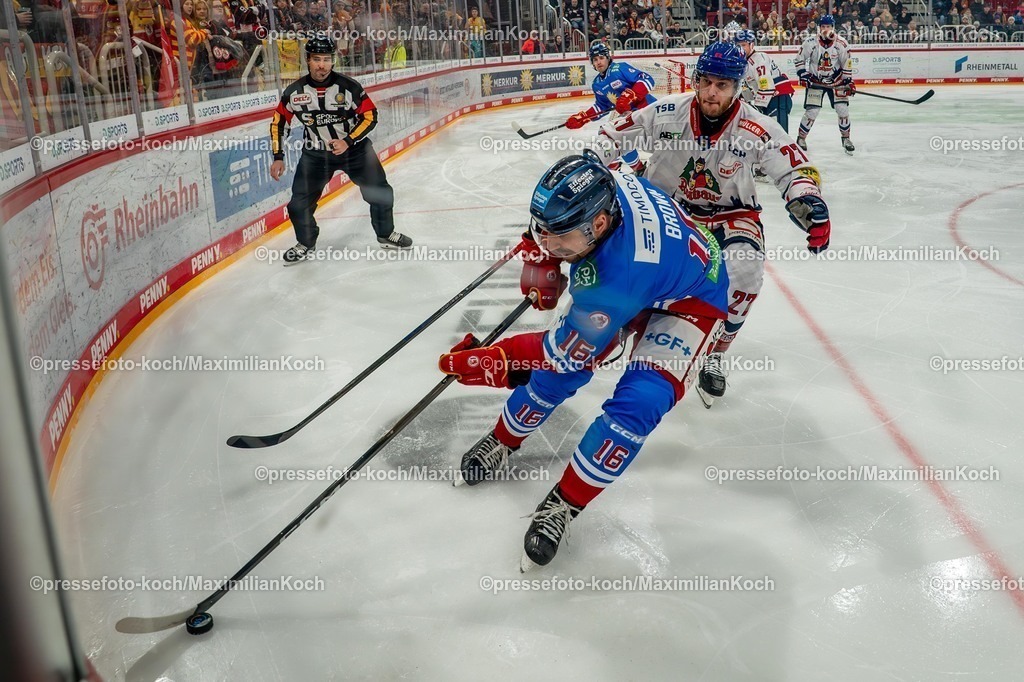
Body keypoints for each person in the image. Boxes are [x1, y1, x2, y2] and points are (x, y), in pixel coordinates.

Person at [439, 151, 730, 570]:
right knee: (562, 372)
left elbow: (558, 353)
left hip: (690, 300)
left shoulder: (616, 279)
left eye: (560, 239)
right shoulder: (602, 183)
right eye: (545, 232)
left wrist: (494, 359)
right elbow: (565, 222)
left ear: (597, 225)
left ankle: (564, 503)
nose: (550, 244)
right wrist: (542, 249)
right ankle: (504, 440)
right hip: (656, 269)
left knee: (638, 402)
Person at [594, 41, 831, 406]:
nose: (711, 92)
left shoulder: (755, 125)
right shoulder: (667, 113)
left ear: (738, 88)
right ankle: (618, 319)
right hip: (668, 211)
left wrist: (807, 196)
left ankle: (716, 352)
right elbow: (610, 137)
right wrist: (593, 164)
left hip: (730, 214)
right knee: (626, 265)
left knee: (747, 274)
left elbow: (793, 164)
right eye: (706, 81)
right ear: (696, 80)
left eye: (722, 85)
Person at [270, 34, 411, 264]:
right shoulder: (294, 93)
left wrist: (348, 140)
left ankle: (386, 234)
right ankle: (305, 242)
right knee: (297, 205)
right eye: (317, 59)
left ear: (333, 61)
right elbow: (279, 123)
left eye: (326, 59)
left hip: (355, 151)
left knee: (381, 193)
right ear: (308, 60)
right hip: (315, 155)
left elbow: (370, 116)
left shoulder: (349, 87)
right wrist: (278, 156)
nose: (322, 65)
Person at [794, 14, 856, 154]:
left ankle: (846, 139)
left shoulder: (842, 43)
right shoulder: (810, 42)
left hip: (837, 81)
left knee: (842, 110)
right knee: (812, 111)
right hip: (816, 81)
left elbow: (846, 63)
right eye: (823, 27)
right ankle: (801, 138)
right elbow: (799, 59)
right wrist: (803, 74)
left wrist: (848, 81)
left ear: (833, 28)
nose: (825, 29)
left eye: (828, 26)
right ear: (819, 28)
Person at [735, 29, 794, 134]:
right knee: (769, 134)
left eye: (743, 45)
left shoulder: (758, 59)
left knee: (779, 134)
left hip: (778, 98)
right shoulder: (744, 63)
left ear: (751, 45)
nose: (740, 49)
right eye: (738, 45)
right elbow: (750, 87)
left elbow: (766, 86)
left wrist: (758, 106)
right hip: (769, 99)